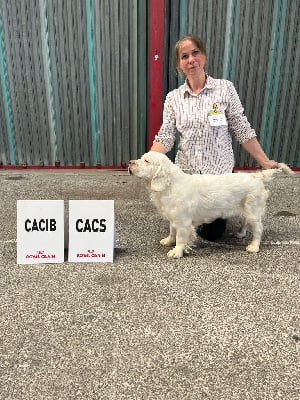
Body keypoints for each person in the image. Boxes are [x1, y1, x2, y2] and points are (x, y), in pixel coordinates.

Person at [150, 34, 279, 241]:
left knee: (211, 234)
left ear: (204, 56)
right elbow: (165, 137)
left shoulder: (225, 88)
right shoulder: (173, 98)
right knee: (185, 219)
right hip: (187, 177)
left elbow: (241, 128)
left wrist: (264, 161)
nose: (191, 59)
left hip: (218, 176)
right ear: (179, 64)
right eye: (184, 56)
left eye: (195, 53)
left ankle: (222, 214)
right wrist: (146, 161)